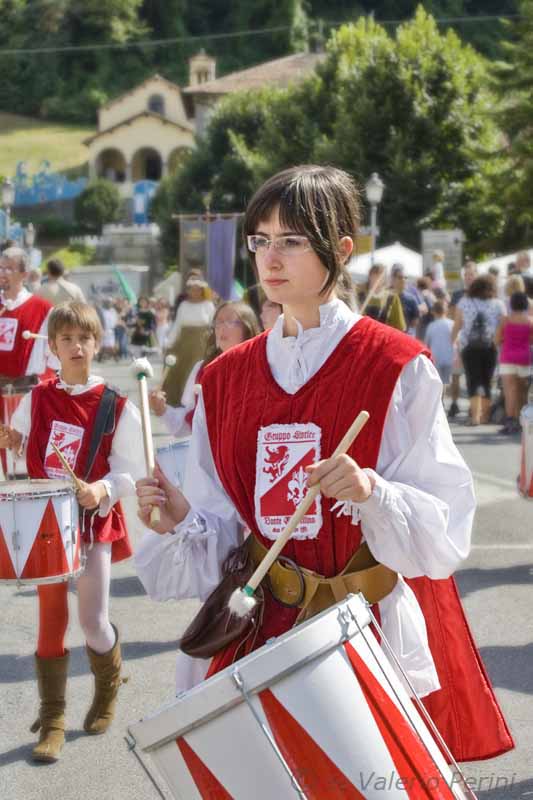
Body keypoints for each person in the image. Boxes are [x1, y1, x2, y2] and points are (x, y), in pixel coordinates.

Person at [135, 165, 512, 762]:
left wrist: (372, 491)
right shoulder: (224, 379)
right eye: (260, 241)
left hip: (367, 629)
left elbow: (444, 529)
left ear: (340, 249)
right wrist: (182, 519)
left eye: (290, 240)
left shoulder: (397, 366)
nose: (270, 257)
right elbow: (222, 523)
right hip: (259, 628)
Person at [0, 301, 144, 762]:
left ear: (96, 343)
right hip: (45, 526)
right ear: (54, 347)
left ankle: (107, 688)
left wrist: (101, 488)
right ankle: (54, 719)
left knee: (92, 621)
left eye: (84, 338)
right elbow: (23, 459)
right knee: (50, 620)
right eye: (66, 339)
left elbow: (131, 472)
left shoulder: (115, 406)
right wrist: (13, 444)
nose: (76, 346)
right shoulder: (38, 398)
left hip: (92, 524)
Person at [150, 301, 260, 438]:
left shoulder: (261, 367)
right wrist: (163, 410)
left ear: (247, 328)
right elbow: (188, 424)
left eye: (230, 321)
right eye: (218, 322)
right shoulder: (203, 369)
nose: (221, 328)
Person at [452, 275, 505, 426]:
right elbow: (502, 325)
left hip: (469, 347)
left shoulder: (464, 302)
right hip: (490, 347)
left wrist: (452, 343)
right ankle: (485, 416)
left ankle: (475, 417)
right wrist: (495, 343)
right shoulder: (498, 304)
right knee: (487, 381)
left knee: (472, 380)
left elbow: (457, 325)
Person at [163, 276, 215, 406]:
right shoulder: (184, 305)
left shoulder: (208, 305)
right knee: (182, 369)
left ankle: (199, 400)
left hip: (201, 344)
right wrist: (169, 342)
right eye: (192, 289)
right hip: (184, 343)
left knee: (198, 368)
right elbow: (177, 324)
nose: (195, 292)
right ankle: (180, 400)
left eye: (197, 290)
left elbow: (213, 325)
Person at [495, 291, 533, 434]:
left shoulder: (505, 320)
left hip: (507, 358)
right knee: (522, 392)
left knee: (509, 391)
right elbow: (531, 340)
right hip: (524, 358)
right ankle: (521, 421)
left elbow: (497, 339)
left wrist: (506, 340)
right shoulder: (530, 321)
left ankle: (510, 420)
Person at [447, 260, 477, 419]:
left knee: (473, 376)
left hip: (476, 341)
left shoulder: (483, 293)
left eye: (471, 274)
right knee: (456, 374)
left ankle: (474, 408)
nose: (468, 278)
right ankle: (454, 402)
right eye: (466, 275)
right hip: (460, 339)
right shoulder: (458, 294)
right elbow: (451, 314)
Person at [359, 263, 406, 330]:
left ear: (384, 278)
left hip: (383, 336)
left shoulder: (391, 297)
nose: (377, 279)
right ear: (369, 276)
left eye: (380, 276)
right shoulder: (358, 294)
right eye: (374, 275)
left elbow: (400, 326)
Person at [424, 301, 453, 393]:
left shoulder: (431, 326)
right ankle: (452, 402)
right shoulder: (452, 324)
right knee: (447, 381)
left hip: (435, 357)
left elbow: (426, 344)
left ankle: (440, 402)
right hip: (450, 356)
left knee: (437, 381)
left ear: (433, 312)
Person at [390, 264, 419, 335]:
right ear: (393, 279)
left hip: (406, 336)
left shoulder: (411, 299)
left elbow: (415, 321)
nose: (403, 280)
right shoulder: (386, 297)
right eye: (400, 277)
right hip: (390, 337)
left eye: (405, 277)